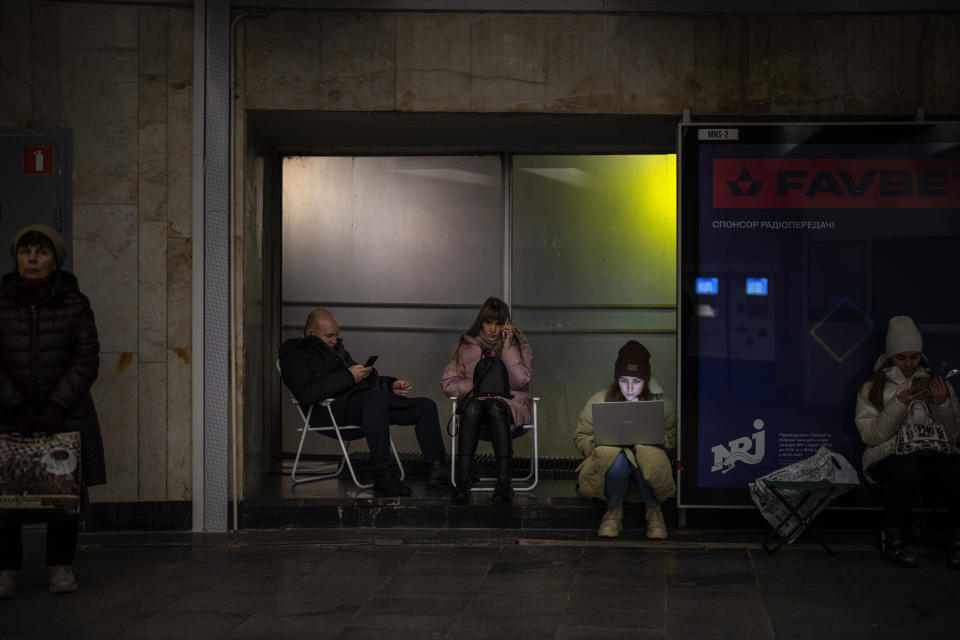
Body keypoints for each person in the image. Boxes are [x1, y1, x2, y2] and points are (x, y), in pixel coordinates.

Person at [0, 224, 104, 599]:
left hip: (65, 414)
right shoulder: (1, 301)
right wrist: (16, 403)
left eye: (40, 252)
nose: (31, 258)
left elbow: (86, 356)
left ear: (55, 260)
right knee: (6, 495)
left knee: (63, 495)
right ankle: (8, 569)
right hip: (9, 415)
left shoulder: (76, 303)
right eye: (24, 251)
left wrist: (58, 403)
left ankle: (60, 567)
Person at [279, 308, 448, 497]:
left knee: (425, 406)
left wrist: (389, 385)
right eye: (329, 336)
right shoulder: (295, 356)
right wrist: (349, 376)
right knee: (374, 400)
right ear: (310, 333)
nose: (334, 340)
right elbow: (306, 394)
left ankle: (437, 469)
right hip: (331, 413)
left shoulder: (337, 351)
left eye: (336, 335)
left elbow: (360, 382)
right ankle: (384, 476)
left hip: (367, 407)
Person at [855, 315, 960, 569]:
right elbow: (871, 436)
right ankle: (893, 539)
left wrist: (940, 404)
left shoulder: (938, 383)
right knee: (906, 471)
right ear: (890, 357)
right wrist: (899, 403)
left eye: (914, 356)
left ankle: (957, 541)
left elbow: (954, 436)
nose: (909, 364)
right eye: (901, 357)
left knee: (954, 469)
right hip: (886, 454)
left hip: (930, 451)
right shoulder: (872, 388)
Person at [574, 340, 676, 539]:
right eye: (624, 380)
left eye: (636, 381)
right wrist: (595, 443)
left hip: (646, 469)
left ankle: (654, 512)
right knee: (617, 458)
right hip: (609, 469)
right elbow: (581, 436)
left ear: (646, 381)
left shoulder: (661, 404)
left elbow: (674, 439)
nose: (629, 388)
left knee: (646, 455)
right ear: (616, 379)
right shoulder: (599, 399)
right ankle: (613, 512)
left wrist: (660, 440)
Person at [441, 297, 533, 503]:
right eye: (488, 322)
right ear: (480, 322)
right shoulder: (467, 348)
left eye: (498, 323)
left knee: (494, 406)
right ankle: (463, 481)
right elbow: (448, 383)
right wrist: (477, 385)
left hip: (510, 405)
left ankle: (503, 483)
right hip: (476, 409)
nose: (492, 328)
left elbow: (522, 380)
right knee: (473, 406)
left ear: (506, 325)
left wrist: (508, 347)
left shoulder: (519, 346)